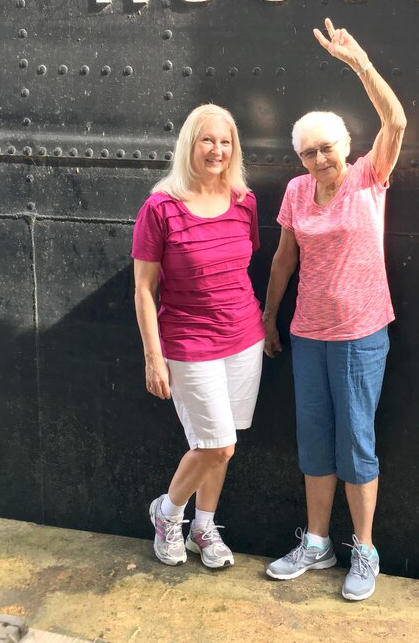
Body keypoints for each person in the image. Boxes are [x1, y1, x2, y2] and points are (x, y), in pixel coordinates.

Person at [263, 18, 407, 601]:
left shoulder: (370, 177)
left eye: (326, 148)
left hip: (359, 334)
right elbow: (281, 261)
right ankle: (318, 544)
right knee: (315, 440)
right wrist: (268, 317)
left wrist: (360, 65)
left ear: (345, 147)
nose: (318, 159)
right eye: (308, 152)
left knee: (356, 442)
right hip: (308, 333)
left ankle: (364, 551)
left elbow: (395, 121)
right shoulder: (297, 192)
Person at [132, 103, 265, 569]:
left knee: (224, 442)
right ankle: (167, 514)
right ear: (190, 143)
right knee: (218, 444)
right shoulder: (161, 207)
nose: (218, 150)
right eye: (208, 140)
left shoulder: (244, 201)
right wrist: (154, 357)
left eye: (225, 141)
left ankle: (204, 528)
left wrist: (262, 325)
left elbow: (239, 269)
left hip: (244, 337)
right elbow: (144, 289)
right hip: (189, 343)